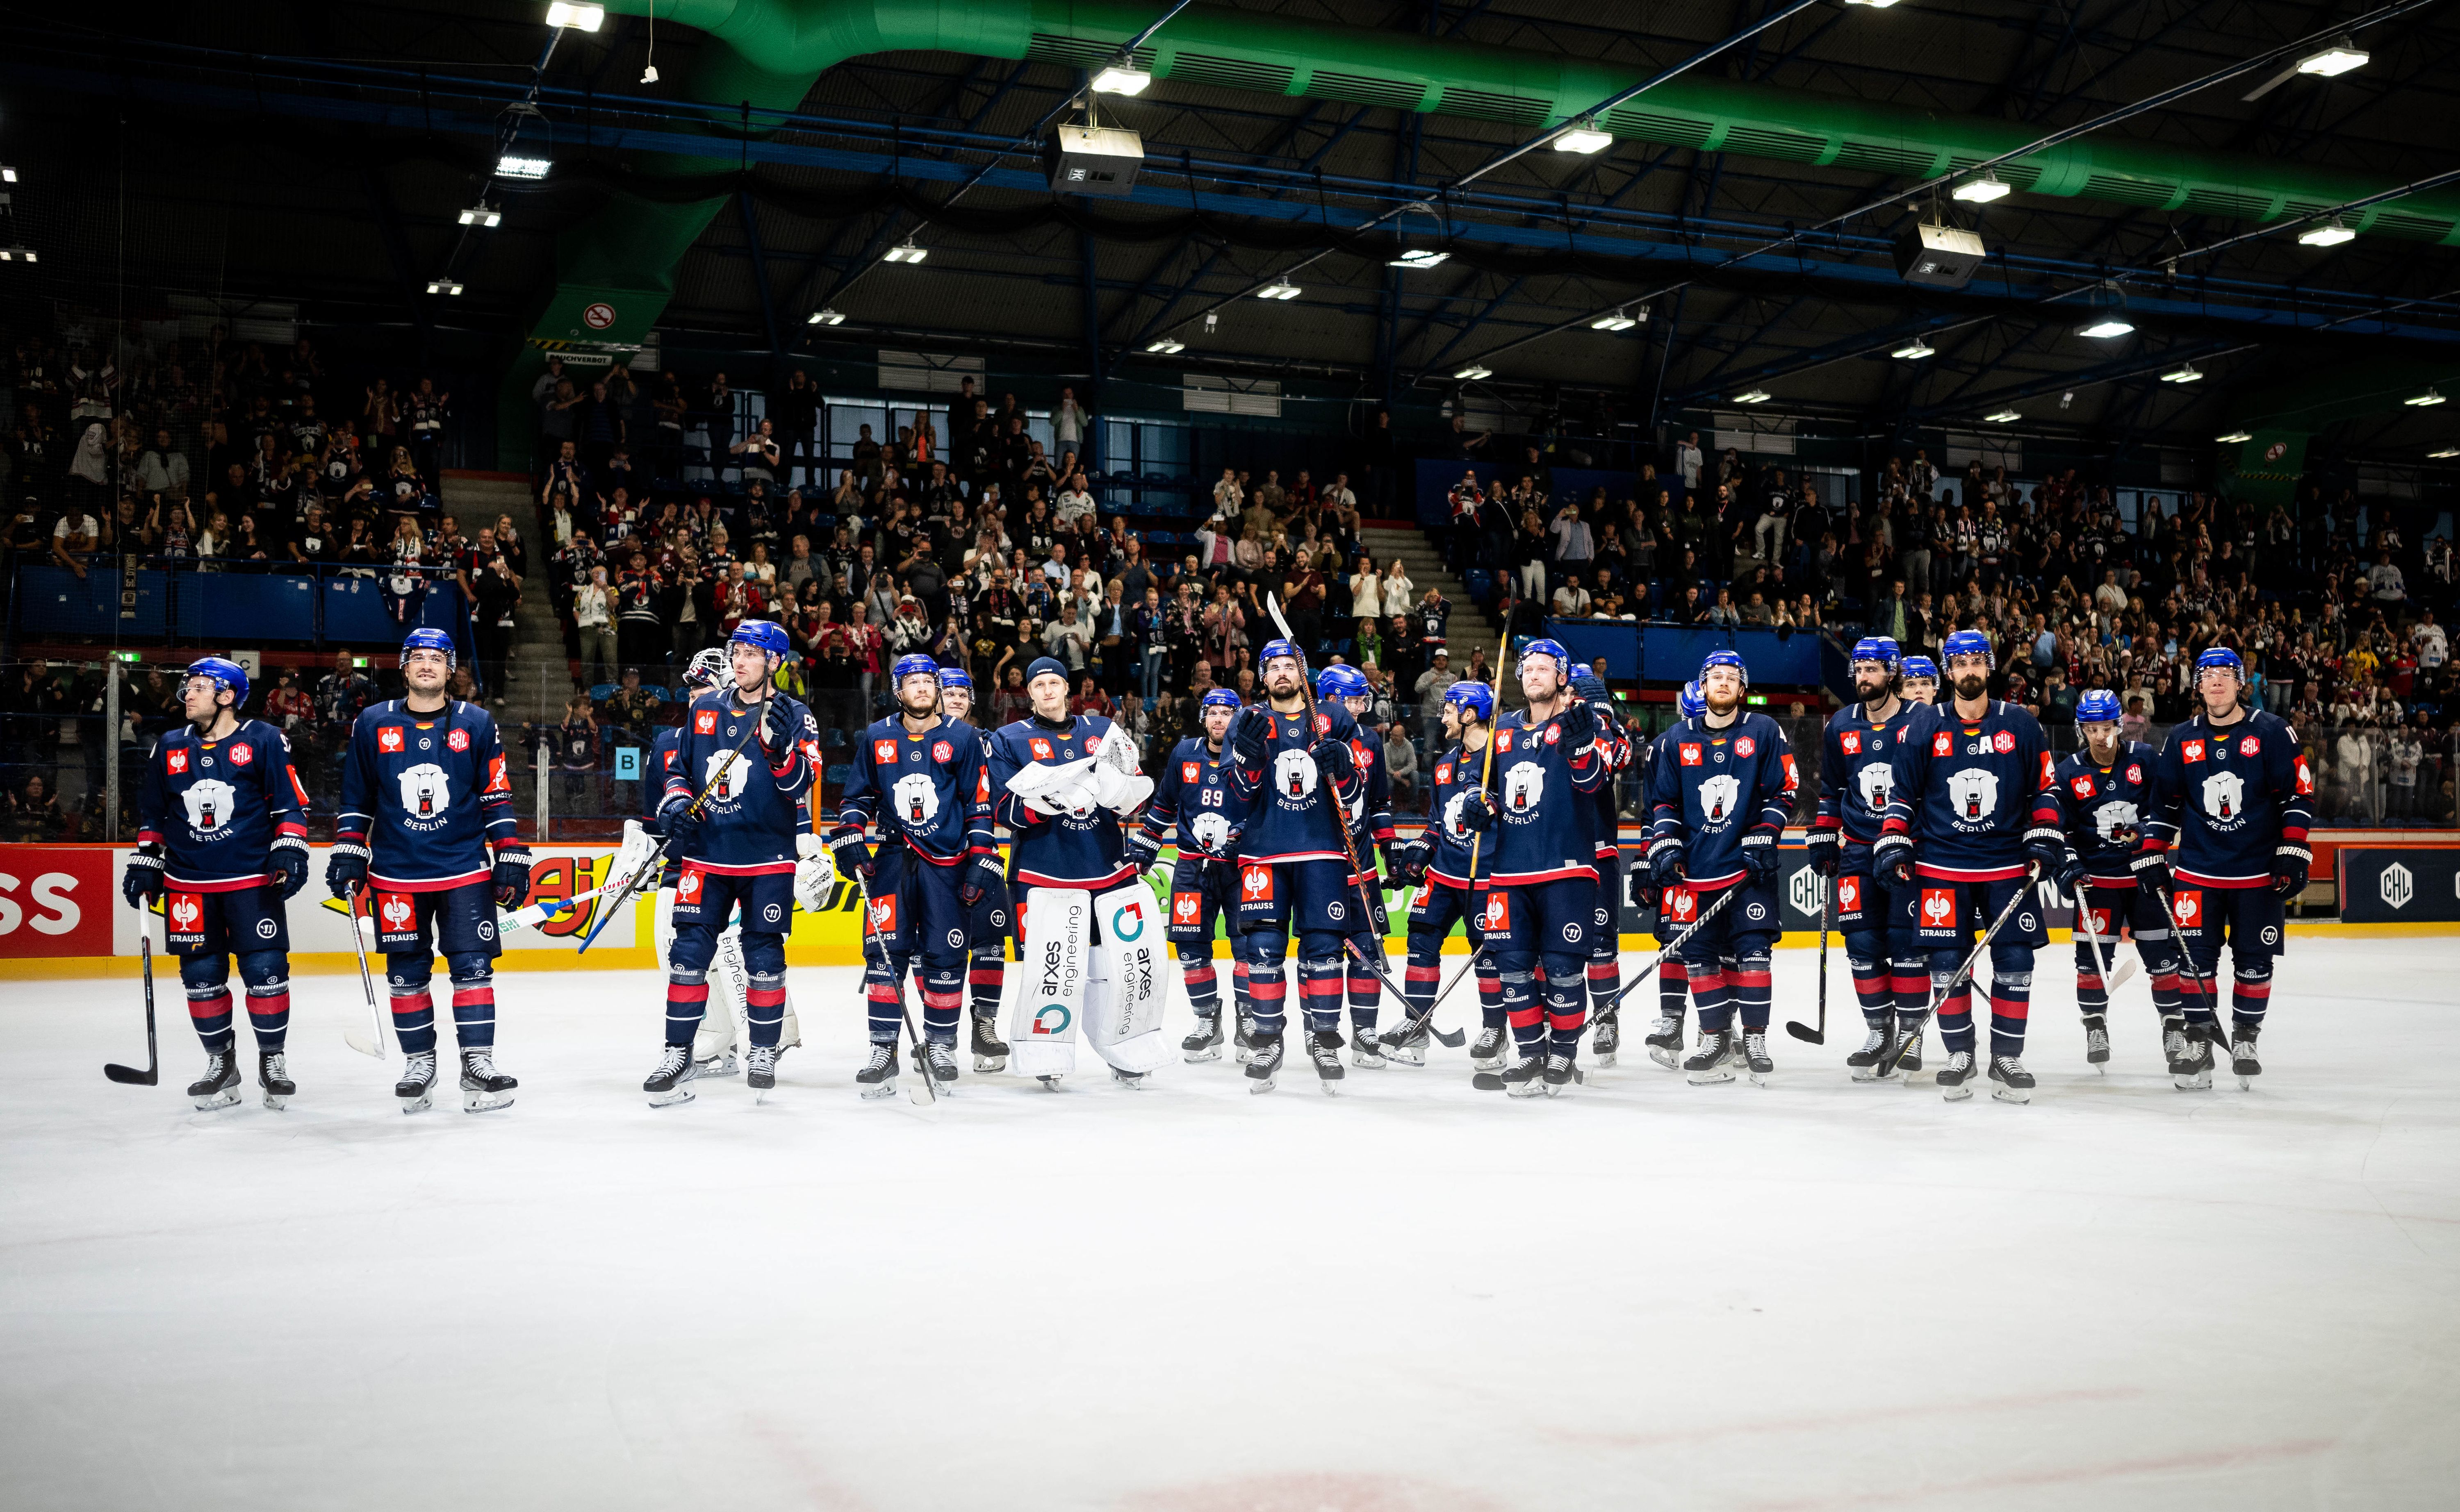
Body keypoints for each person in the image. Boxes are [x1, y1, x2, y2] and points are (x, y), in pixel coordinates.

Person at [327, 629, 532, 1114]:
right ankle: (420, 1063)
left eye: (436, 659)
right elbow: (356, 797)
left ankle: (477, 1062)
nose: (426, 666)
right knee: (405, 974)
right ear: (404, 666)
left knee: (474, 969)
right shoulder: (373, 722)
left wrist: (510, 851)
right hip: (397, 873)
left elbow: (496, 794)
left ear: (450, 670)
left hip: (463, 870)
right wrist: (349, 848)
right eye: (417, 657)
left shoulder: (477, 722)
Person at [1873, 629, 2066, 1103]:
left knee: (2016, 962)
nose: (1969, 671)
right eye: (1960, 663)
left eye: (1977, 661)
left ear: (1990, 666)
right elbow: (1903, 796)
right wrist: (1893, 839)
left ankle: (2007, 1055)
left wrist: (2044, 834)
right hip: (1941, 865)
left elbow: (2045, 788)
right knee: (1946, 966)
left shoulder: (2021, 723)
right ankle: (1960, 1053)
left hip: (2006, 865)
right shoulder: (1924, 726)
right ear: (1948, 670)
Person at [636, 621, 819, 1105]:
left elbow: (801, 784)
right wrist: (675, 802)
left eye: (752, 653)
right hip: (706, 854)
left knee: (763, 956)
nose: (740, 661)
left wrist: (779, 751)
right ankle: (678, 1052)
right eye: (736, 651)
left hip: (767, 857)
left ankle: (761, 1049)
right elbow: (680, 768)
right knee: (688, 955)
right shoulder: (705, 709)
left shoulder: (796, 715)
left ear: (775, 662)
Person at [120, 657, 313, 1111]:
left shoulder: (264, 739)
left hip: (250, 879)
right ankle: (220, 1062)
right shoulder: (168, 745)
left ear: (227, 696)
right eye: (187, 686)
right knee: (201, 978)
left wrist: (290, 848)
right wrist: (147, 861)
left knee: (266, 971)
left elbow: (290, 806)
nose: (188, 693)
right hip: (188, 882)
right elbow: (153, 814)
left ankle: (272, 1060)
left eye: (200, 687)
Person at [2136, 647, 2315, 1090]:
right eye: (2207, 675)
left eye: (2225, 675)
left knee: (2255, 962)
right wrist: (2153, 851)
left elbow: (2299, 794)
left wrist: (2293, 848)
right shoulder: (2181, 737)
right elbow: (2165, 804)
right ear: (2198, 685)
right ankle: (2199, 1041)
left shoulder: (2272, 732)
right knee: (2194, 962)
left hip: (2257, 874)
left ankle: (2245, 1037)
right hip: (2198, 872)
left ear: (2241, 683)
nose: (2216, 682)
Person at [983, 657, 1163, 1089]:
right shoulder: (1008, 739)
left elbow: (1135, 797)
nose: (1047, 691)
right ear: (1029, 692)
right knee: (1052, 968)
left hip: (1105, 870)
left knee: (1115, 967)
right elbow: (1004, 809)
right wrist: (1053, 798)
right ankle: (1047, 1051)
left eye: (1054, 683)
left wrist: (1121, 790)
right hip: (1043, 873)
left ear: (1068, 688)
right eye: (1039, 684)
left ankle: (1123, 1049)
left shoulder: (1102, 732)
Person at [1461, 637, 1623, 1094]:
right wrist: (1478, 804)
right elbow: (1484, 788)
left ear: (1562, 677)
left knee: (1561, 968)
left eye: (1544, 668)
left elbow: (1596, 782)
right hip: (1510, 872)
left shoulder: (1581, 720)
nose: (1534, 674)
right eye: (1527, 668)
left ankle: (1563, 1053)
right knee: (1511, 966)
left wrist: (1581, 749)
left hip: (1567, 868)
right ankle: (1530, 1052)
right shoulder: (1503, 729)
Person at [829, 655, 996, 1094]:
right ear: (898, 689)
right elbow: (857, 797)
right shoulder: (878, 735)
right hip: (891, 861)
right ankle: (883, 1051)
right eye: (913, 682)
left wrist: (981, 856)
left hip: (946, 864)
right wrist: (849, 835)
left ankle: (941, 1045)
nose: (922, 688)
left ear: (938, 689)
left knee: (945, 955)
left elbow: (978, 804)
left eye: (929, 681)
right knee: (885, 954)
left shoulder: (963, 736)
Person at [1220, 639, 1372, 1094]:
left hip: (1322, 850)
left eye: (1291, 666)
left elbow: (1356, 798)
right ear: (1262, 676)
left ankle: (1324, 1038)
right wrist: (1247, 760)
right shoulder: (1248, 720)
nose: (1283, 674)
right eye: (1274, 668)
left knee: (1324, 947)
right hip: (1264, 852)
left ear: (1303, 674)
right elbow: (1236, 797)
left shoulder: (1334, 719)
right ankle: (1267, 1039)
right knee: (1263, 948)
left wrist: (1343, 765)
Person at [1647, 650, 1795, 1086]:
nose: (1724, 683)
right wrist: (1667, 846)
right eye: (1716, 677)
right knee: (1699, 958)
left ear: (1743, 688)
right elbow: (1664, 803)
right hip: (1696, 872)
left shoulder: (1764, 731)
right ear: (1704, 685)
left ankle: (1754, 1039)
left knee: (1753, 954)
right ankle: (1715, 1038)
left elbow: (1784, 791)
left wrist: (1766, 833)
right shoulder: (1677, 738)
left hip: (1750, 868)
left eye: (1732, 677)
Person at [1804, 638, 1931, 1082]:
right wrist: (1823, 829)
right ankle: (1879, 1030)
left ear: (1893, 672)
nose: (1863, 677)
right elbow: (1833, 791)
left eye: (1873, 669)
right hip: (1858, 848)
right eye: (1858, 669)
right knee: (1860, 944)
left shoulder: (1921, 719)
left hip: (1909, 848)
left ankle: (1912, 1033)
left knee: (1907, 943)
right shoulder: (1841, 723)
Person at [2048, 688, 2184, 1074]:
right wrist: (2069, 862)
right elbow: (2063, 828)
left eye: (2106, 726)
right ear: (2081, 729)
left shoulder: (2145, 759)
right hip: (2098, 883)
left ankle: (2173, 1026)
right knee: (2091, 961)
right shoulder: (2069, 770)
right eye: (2091, 728)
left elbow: (2166, 807)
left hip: (2145, 876)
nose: (2100, 736)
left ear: (2119, 725)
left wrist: (2151, 837)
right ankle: (2095, 1026)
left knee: (2163, 957)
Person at [1128, 688, 1255, 1063]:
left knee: (1248, 948)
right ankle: (1207, 1021)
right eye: (1213, 712)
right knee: (1190, 949)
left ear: (1238, 720)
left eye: (1227, 713)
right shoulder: (1185, 752)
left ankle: (1248, 1021)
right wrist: (1147, 843)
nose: (1219, 720)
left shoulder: (1249, 760)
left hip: (1240, 868)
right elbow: (1166, 802)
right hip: (1191, 867)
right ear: (1204, 718)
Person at [1384, 681, 1506, 1070]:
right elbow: (1436, 825)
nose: (1444, 714)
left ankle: (1495, 1031)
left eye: (1451, 708)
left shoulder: (1502, 760)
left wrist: (1493, 808)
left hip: (1487, 879)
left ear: (1471, 714)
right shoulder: (1443, 765)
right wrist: (1417, 856)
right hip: (1445, 875)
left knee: (1488, 956)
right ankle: (1417, 1027)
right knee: (1420, 940)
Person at [1313, 664, 1402, 1061]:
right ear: (1329, 699)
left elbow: (1380, 802)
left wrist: (1390, 847)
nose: (1359, 707)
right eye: (1351, 699)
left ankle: (1365, 1032)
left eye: (1361, 699)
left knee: (1369, 948)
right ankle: (1322, 1033)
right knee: (1323, 952)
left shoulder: (1370, 740)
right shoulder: (1306, 736)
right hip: (1322, 864)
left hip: (1362, 863)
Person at [933, 666, 1012, 1073]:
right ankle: (938, 1036)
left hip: (982, 855)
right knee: (932, 949)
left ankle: (985, 1027)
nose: (958, 699)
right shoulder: (921, 739)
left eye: (965, 693)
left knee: (989, 942)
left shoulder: (990, 742)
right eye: (950, 693)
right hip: (934, 860)